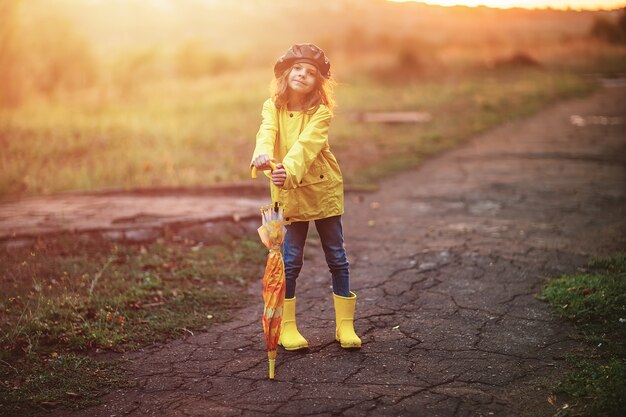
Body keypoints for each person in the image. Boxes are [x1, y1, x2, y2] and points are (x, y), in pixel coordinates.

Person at [251, 43, 361, 350]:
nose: (302, 75)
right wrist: (262, 155)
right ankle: (288, 328)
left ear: (318, 82)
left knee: (336, 256)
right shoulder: (272, 106)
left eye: (310, 73)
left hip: (322, 189)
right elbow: (267, 132)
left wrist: (287, 168)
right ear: (286, 74)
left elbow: (306, 146)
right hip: (288, 194)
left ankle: (345, 327)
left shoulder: (321, 113)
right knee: (290, 260)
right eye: (297, 69)